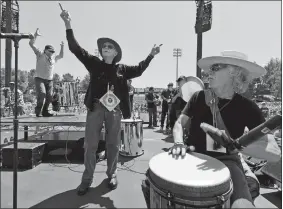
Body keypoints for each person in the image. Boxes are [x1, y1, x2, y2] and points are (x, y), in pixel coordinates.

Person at [60, 8, 161, 195]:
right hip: (96, 108)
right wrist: (68, 24)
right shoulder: (94, 63)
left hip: (115, 110)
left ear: (115, 52)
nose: (105, 47)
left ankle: (112, 174)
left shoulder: (122, 68)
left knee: (113, 144)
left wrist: (151, 55)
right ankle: (87, 179)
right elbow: (75, 49)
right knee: (90, 144)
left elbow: (139, 69)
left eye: (109, 46)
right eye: (104, 46)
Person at [170, 51, 281, 208]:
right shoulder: (198, 97)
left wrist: (235, 146)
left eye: (215, 68)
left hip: (227, 162)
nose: (208, 72)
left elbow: (275, 153)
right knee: (153, 181)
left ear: (233, 73)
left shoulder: (248, 107)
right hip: (192, 156)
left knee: (242, 205)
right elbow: (179, 124)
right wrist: (179, 142)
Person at [29, 28, 64, 117]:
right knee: (42, 94)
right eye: (50, 51)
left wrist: (62, 47)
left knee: (49, 97)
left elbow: (61, 56)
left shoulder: (53, 58)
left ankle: (45, 111)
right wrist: (35, 36)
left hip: (49, 80)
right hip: (39, 78)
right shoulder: (40, 54)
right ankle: (38, 111)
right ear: (45, 50)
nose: (52, 53)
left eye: (53, 52)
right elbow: (31, 44)